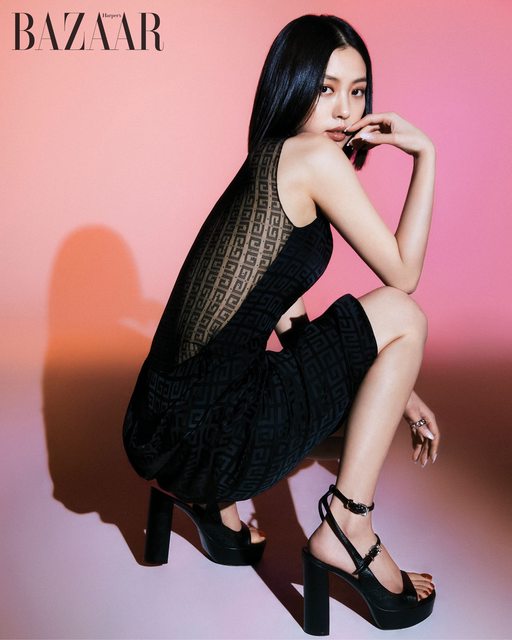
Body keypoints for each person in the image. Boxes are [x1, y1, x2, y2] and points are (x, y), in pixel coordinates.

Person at [123, 13, 440, 633]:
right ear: (291, 87)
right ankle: (348, 527)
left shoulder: (269, 162)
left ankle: (207, 499)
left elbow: (285, 320)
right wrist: (425, 154)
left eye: (358, 91)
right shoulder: (314, 157)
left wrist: (399, 392)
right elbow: (403, 276)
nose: (346, 109)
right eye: (326, 89)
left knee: (363, 419)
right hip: (212, 437)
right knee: (404, 314)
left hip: (164, 429)